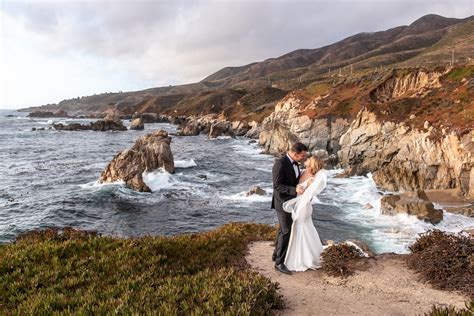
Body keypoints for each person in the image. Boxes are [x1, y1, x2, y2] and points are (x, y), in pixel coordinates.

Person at [283, 157, 327, 271]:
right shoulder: (303, 171)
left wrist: (301, 190)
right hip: (299, 206)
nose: (306, 159)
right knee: (303, 229)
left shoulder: (312, 179)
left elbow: (308, 195)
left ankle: (305, 258)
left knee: (301, 229)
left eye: (309, 159)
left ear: (312, 164)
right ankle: (303, 255)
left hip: (303, 207)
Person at [271, 142, 308, 275]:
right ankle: (279, 263)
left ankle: (276, 255)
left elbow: (294, 178)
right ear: (295, 153)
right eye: (302, 155)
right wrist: (294, 189)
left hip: (291, 202)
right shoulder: (280, 164)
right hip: (282, 203)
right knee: (286, 231)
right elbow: (277, 186)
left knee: (283, 229)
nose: (304, 158)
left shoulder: (295, 163)